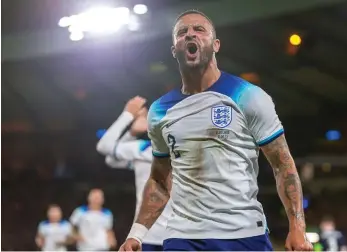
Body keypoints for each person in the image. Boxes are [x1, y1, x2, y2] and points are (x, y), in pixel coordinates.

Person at [120, 9, 312, 251]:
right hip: (182, 236)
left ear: (216, 45)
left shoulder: (249, 96)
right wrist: (136, 234)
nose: (190, 35)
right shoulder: (159, 111)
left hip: (243, 233)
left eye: (199, 30)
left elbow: (282, 164)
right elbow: (159, 179)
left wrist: (298, 228)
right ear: (174, 50)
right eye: (182, 33)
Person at [97, 96, 172, 251]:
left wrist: (128, 116)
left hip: (148, 236)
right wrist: (132, 133)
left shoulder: (144, 150)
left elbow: (104, 147)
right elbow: (112, 160)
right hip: (177, 236)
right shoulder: (189, 152)